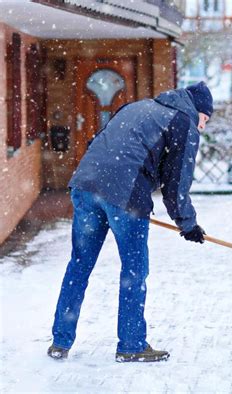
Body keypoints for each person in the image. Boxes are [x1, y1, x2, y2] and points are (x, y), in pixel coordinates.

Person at [47, 81, 213, 362]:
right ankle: (131, 344)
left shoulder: (137, 106)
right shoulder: (184, 121)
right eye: (205, 118)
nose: (203, 126)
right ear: (197, 109)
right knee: (134, 271)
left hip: (86, 185)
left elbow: (98, 142)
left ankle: (60, 342)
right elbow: (177, 184)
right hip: (125, 196)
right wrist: (187, 224)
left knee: (79, 265)